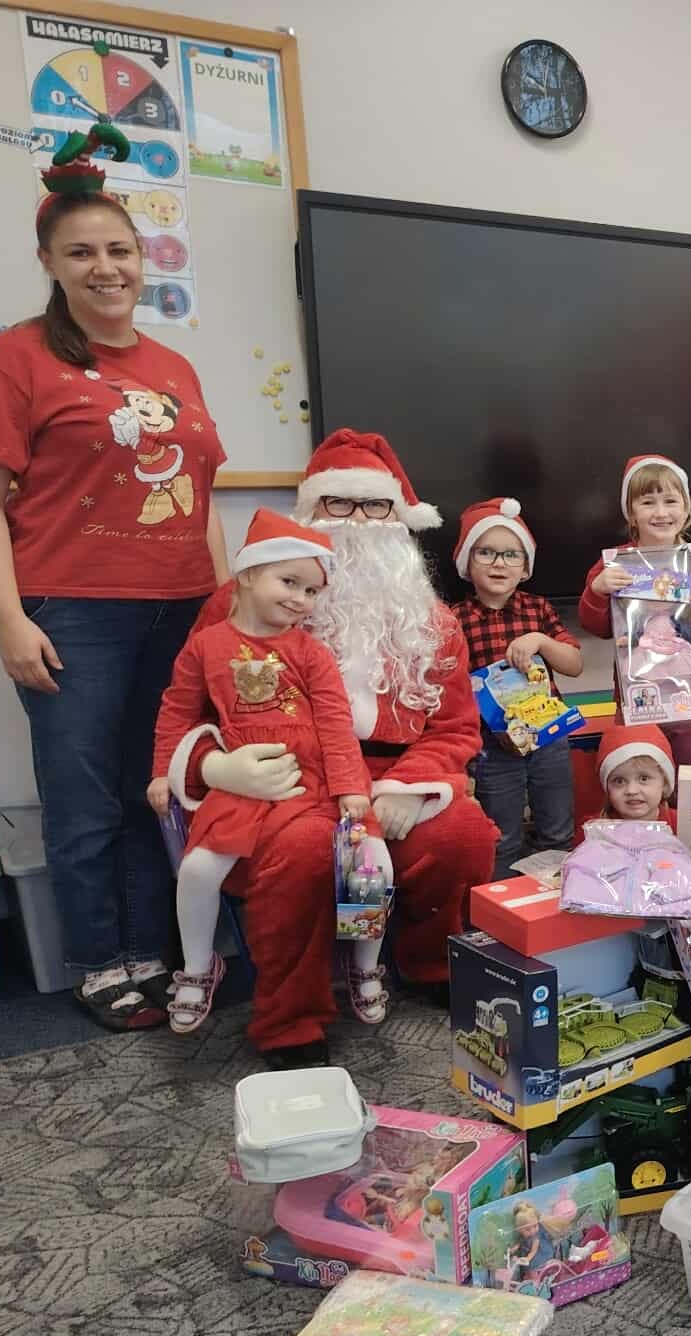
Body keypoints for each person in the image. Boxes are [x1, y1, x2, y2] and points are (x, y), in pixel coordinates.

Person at [0, 134, 229, 1030]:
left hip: (181, 608)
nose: (104, 267)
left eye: (118, 250)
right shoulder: (14, 359)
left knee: (160, 786)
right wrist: (7, 620)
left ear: (140, 260)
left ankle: (158, 946)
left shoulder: (174, 366)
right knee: (84, 798)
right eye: (81, 252)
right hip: (74, 612)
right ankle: (100, 959)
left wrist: (224, 608)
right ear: (49, 263)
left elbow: (205, 496)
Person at [161, 429, 496, 1069]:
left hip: (393, 774)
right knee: (304, 854)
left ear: (398, 519)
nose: (358, 523)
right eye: (337, 505)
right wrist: (212, 764)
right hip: (285, 779)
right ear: (308, 512)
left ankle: (424, 963)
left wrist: (409, 785)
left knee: (462, 835)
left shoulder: (433, 622)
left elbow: (455, 730)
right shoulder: (235, 610)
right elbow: (183, 711)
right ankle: (292, 1017)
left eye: (373, 506)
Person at [145, 512, 383, 1031]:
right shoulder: (205, 646)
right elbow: (177, 711)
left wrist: (349, 788)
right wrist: (164, 771)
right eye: (289, 581)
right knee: (198, 870)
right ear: (247, 574)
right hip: (242, 784)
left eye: (313, 590)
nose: (301, 598)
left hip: (314, 781)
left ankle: (365, 964)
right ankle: (197, 967)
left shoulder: (311, 652)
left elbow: (336, 725)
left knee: (371, 870)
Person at [449, 497, 584, 878]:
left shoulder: (538, 610)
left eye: (511, 555)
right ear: (466, 563)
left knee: (557, 829)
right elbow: (447, 689)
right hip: (492, 747)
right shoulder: (453, 619)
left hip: (550, 737)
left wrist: (540, 640)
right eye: (486, 552)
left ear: (525, 568)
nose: (498, 563)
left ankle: (553, 909)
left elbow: (574, 664)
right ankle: (503, 910)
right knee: (500, 837)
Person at [580, 455, 691, 766]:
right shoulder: (615, 565)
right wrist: (597, 591)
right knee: (640, 771)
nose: (661, 512)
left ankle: (680, 815)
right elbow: (596, 627)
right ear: (631, 514)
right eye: (648, 502)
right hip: (638, 697)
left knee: (689, 776)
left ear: (686, 510)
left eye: (670, 501)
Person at [596, 724, 677, 827]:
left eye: (644, 778)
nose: (631, 790)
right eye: (619, 781)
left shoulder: (683, 825)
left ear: (665, 783)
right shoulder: (592, 832)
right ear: (607, 788)